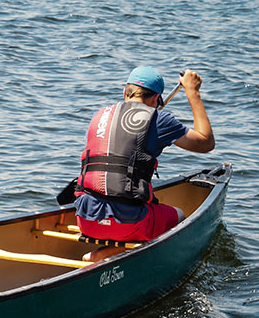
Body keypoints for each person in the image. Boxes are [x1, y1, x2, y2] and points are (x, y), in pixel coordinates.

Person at [74, 66, 214, 261]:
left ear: (125, 93)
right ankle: (102, 256)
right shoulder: (159, 119)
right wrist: (193, 92)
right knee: (180, 217)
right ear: (156, 99)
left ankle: (108, 245)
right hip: (126, 223)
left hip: (85, 218)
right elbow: (206, 142)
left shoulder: (100, 115)